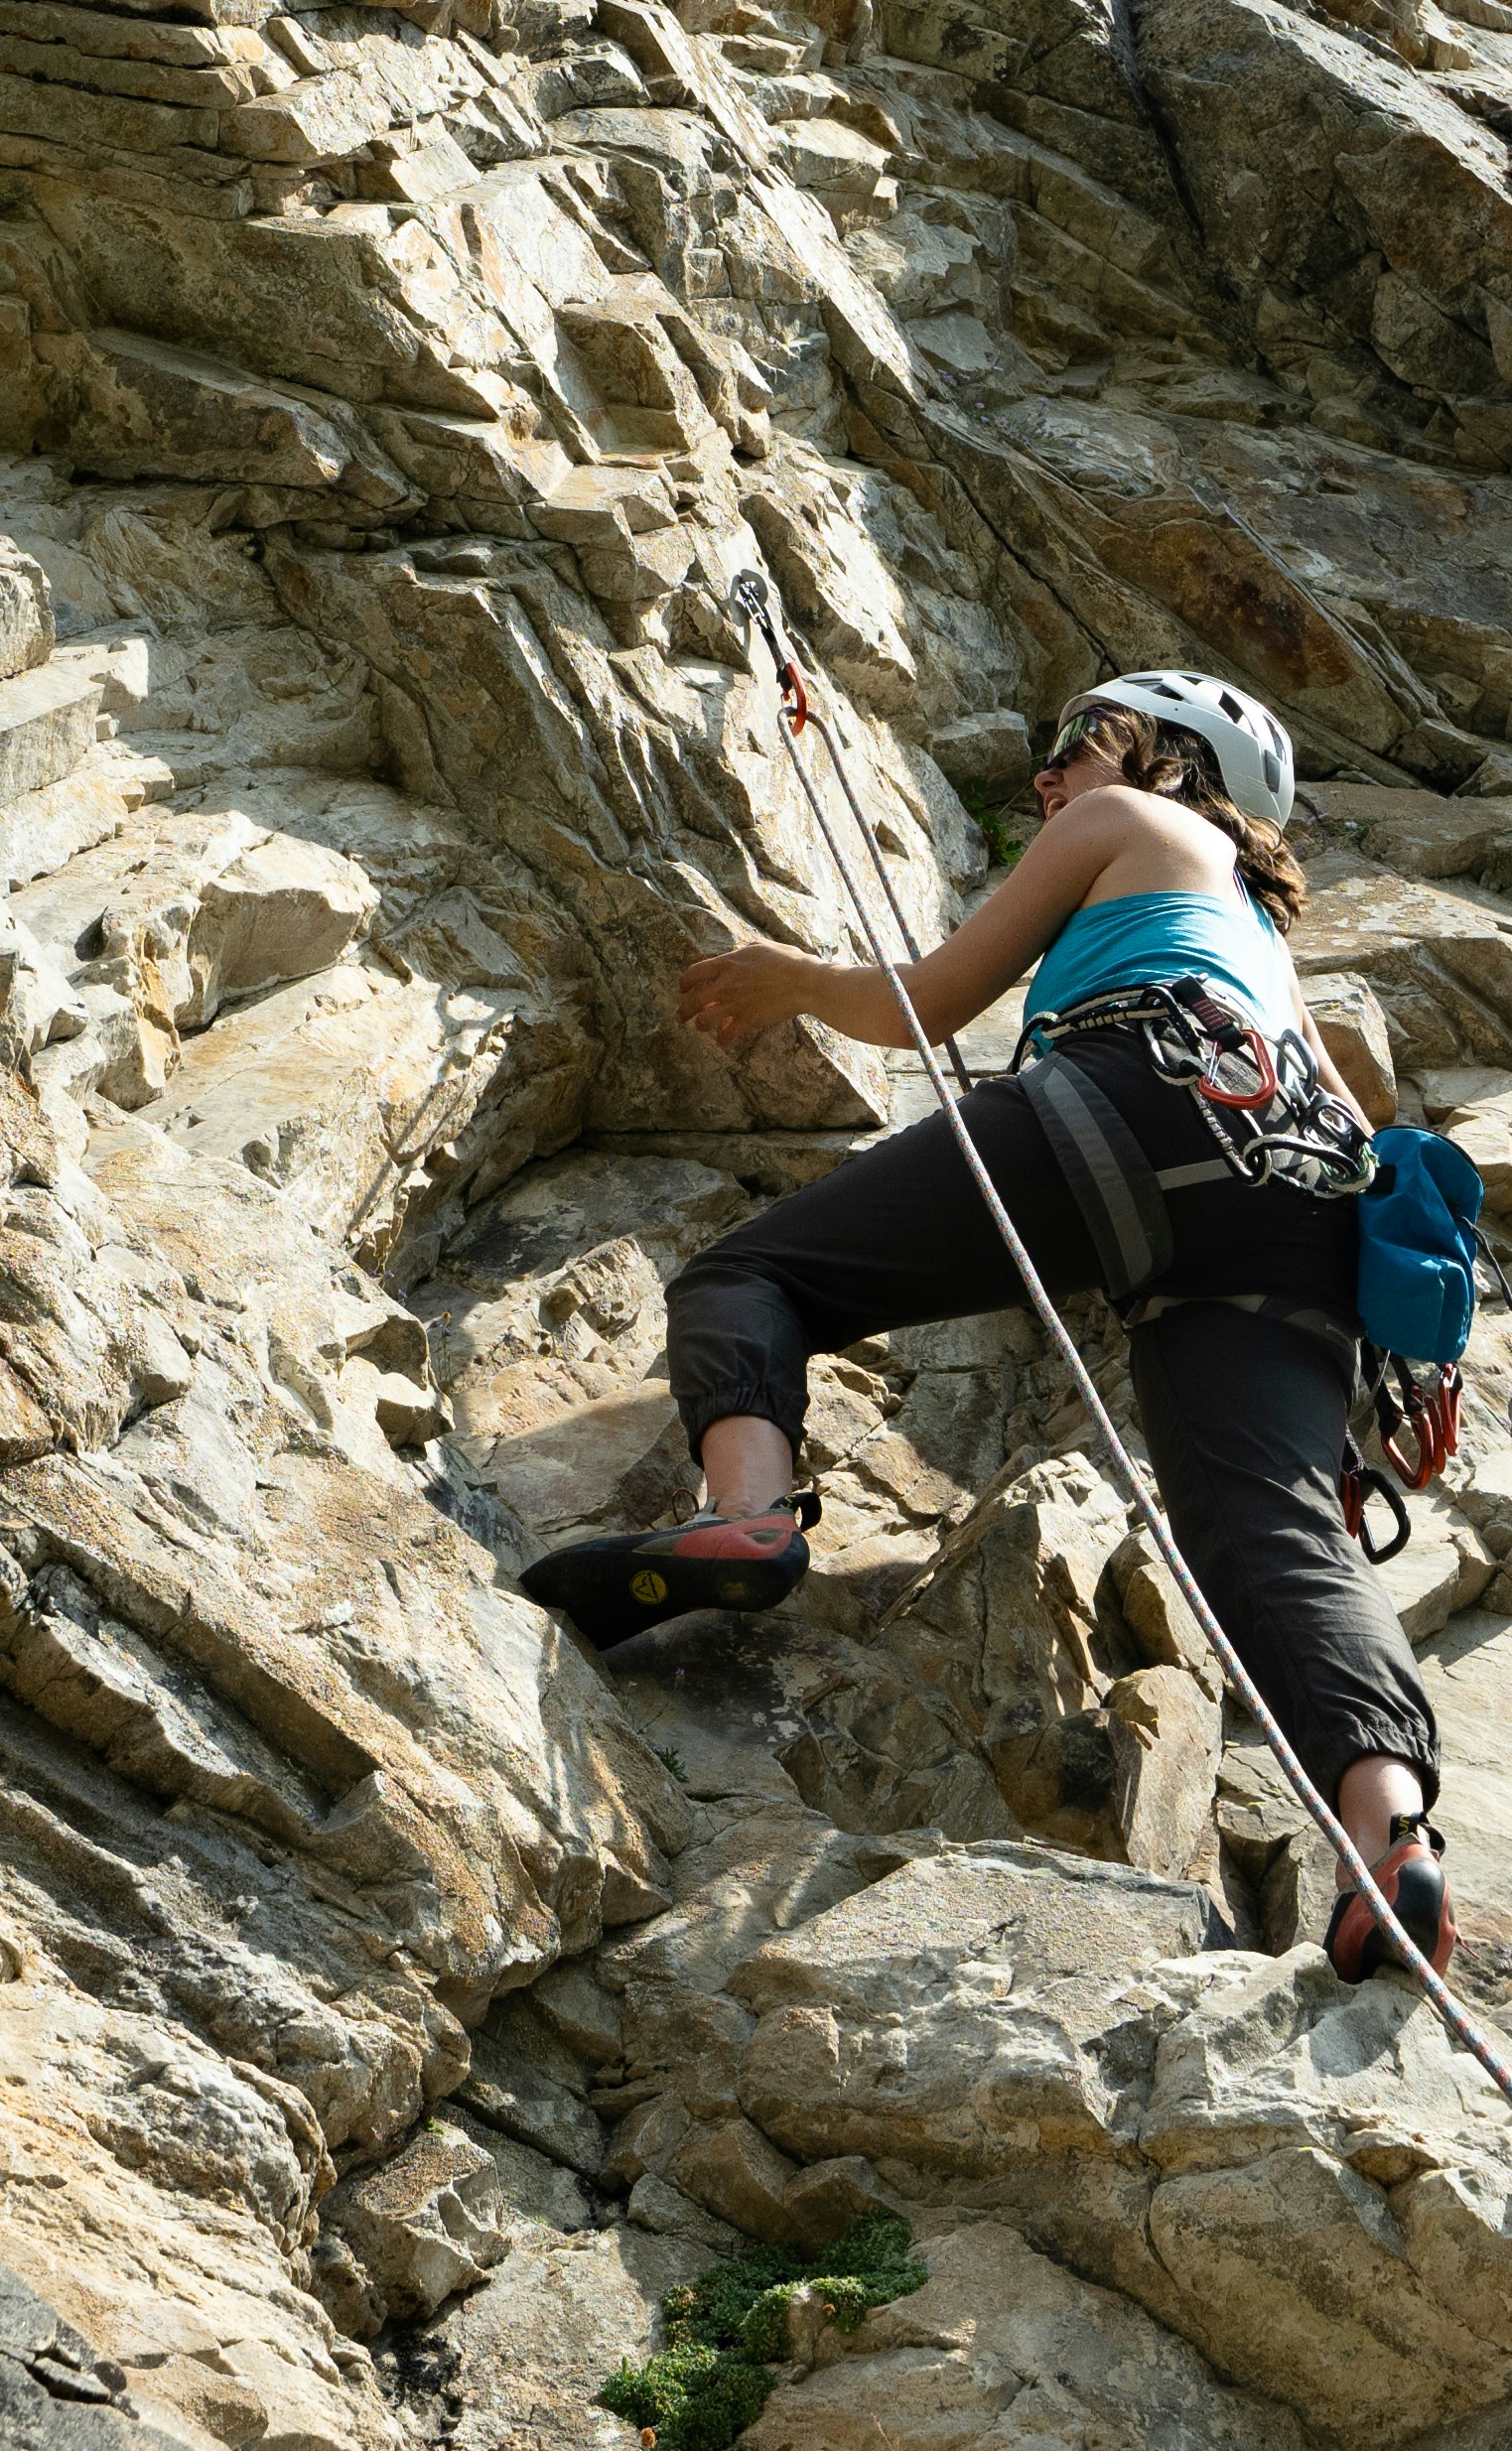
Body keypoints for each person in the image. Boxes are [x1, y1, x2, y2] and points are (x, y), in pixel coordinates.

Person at [526, 671, 1458, 1984]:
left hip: (1140, 1098)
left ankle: (746, 1511)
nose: (1051, 775)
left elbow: (933, 999)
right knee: (1280, 1541)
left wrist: (794, 978)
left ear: (1172, 760)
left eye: (1083, 740)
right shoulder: (1269, 947)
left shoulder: (1130, 820)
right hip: (1301, 1209)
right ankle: (1393, 1845)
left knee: (751, 1276)